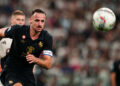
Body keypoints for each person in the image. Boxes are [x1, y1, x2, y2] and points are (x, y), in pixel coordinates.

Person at [0, 9, 53, 86]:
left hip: (27, 74)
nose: (40, 24)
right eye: (37, 20)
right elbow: (1, 32)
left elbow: (48, 64)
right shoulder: (19, 30)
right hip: (11, 71)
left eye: (42, 21)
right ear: (30, 20)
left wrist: (36, 60)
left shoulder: (46, 38)